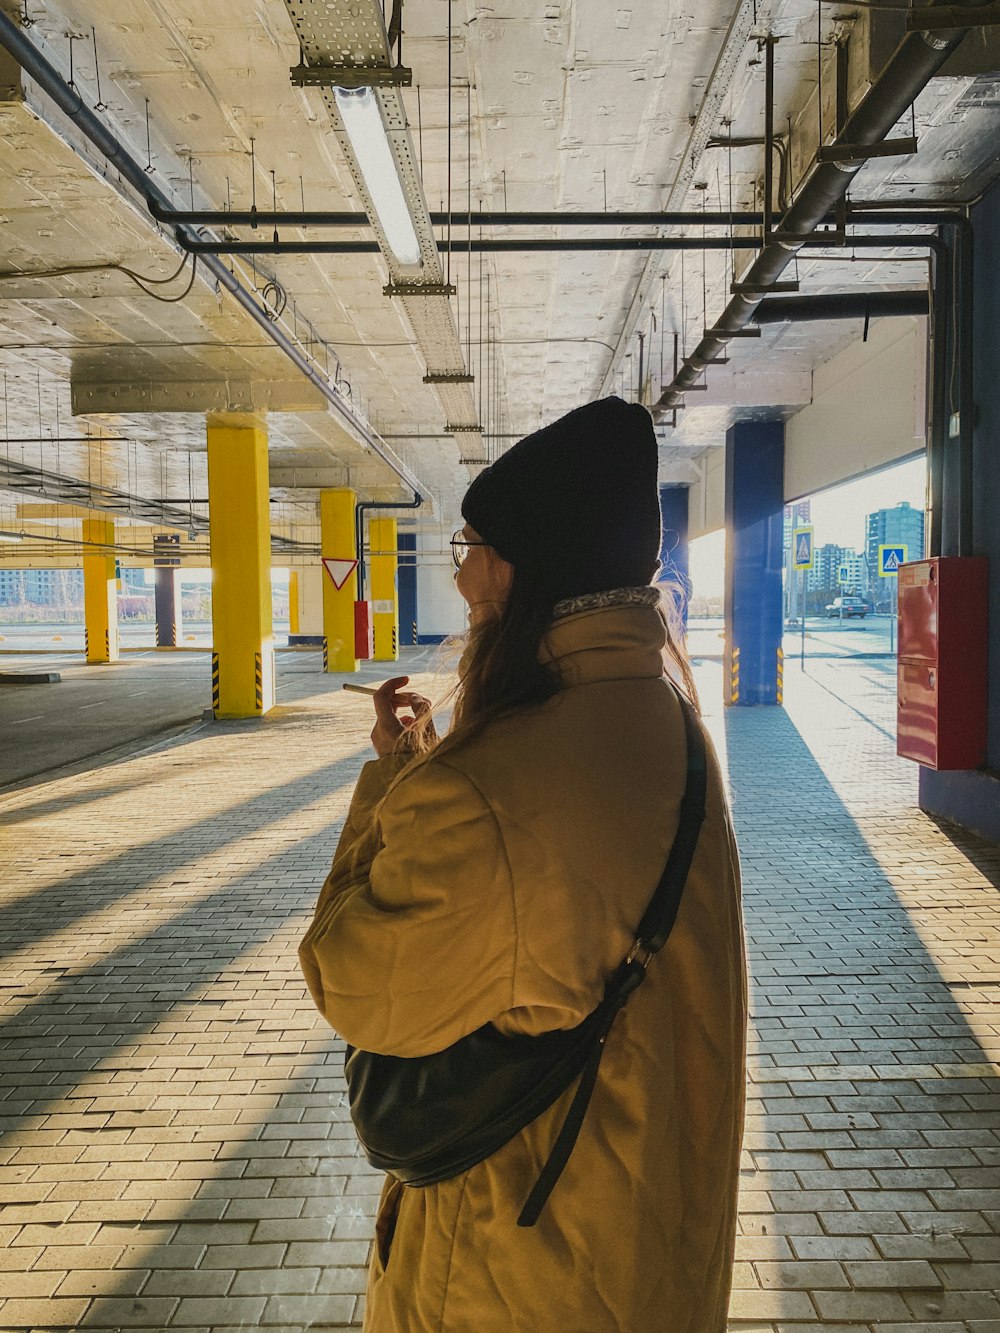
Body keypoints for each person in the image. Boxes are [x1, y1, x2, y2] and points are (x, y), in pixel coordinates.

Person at [299, 396, 747, 1333]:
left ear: (512, 565)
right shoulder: (672, 719)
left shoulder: (486, 788)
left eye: (467, 545)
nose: (461, 576)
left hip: (521, 1271)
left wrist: (392, 785)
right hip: (648, 1240)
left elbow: (352, 982)